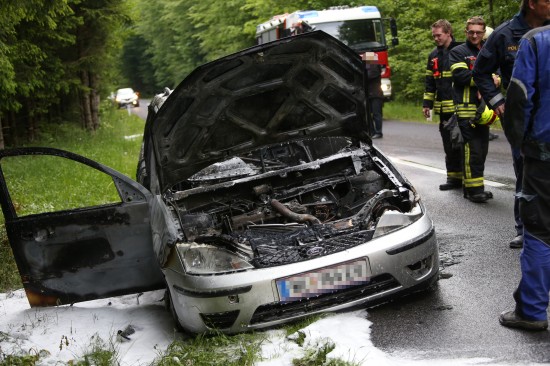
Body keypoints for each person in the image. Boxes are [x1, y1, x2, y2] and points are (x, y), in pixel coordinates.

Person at [473, 0, 550, 248]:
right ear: (531, 3)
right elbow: (480, 71)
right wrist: (497, 101)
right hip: (521, 116)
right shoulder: (505, 34)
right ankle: (526, 229)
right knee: (526, 168)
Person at [498, 24, 550, 331]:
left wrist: (520, 143)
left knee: (540, 230)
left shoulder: (537, 40)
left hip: (544, 155)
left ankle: (531, 310)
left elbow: (518, 97)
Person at [450, 16, 496, 203]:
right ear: (466, 32)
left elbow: (498, 74)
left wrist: (493, 78)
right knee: (472, 150)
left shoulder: (487, 51)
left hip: (484, 110)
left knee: (482, 150)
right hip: (466, 109)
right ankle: (474, 190)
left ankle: (473, 187)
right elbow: (461, 76)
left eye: (478, 32)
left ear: (484, 32)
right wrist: (486, 80)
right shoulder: (457, 51)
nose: (475, 35)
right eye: (471, 32)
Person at [422, 19, 463, 190]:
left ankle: (470, 182)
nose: (436, 39)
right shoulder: (433, 56)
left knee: (463, 146)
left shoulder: (460, 51)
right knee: (449, 146)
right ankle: (453, 179)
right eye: (434, 36)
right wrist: (427, 104)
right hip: (443, 111)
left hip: (461, 108)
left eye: (438, 35)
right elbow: (430, 82)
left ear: (448, 33)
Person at [366, 62, 384, 139]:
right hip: (368, 95)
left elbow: (369, 76)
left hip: (375, 94)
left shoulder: (375, 66)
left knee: (376, 114)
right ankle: (372, 132)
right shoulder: (367, 66)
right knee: (368, 115)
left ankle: (378, 132)